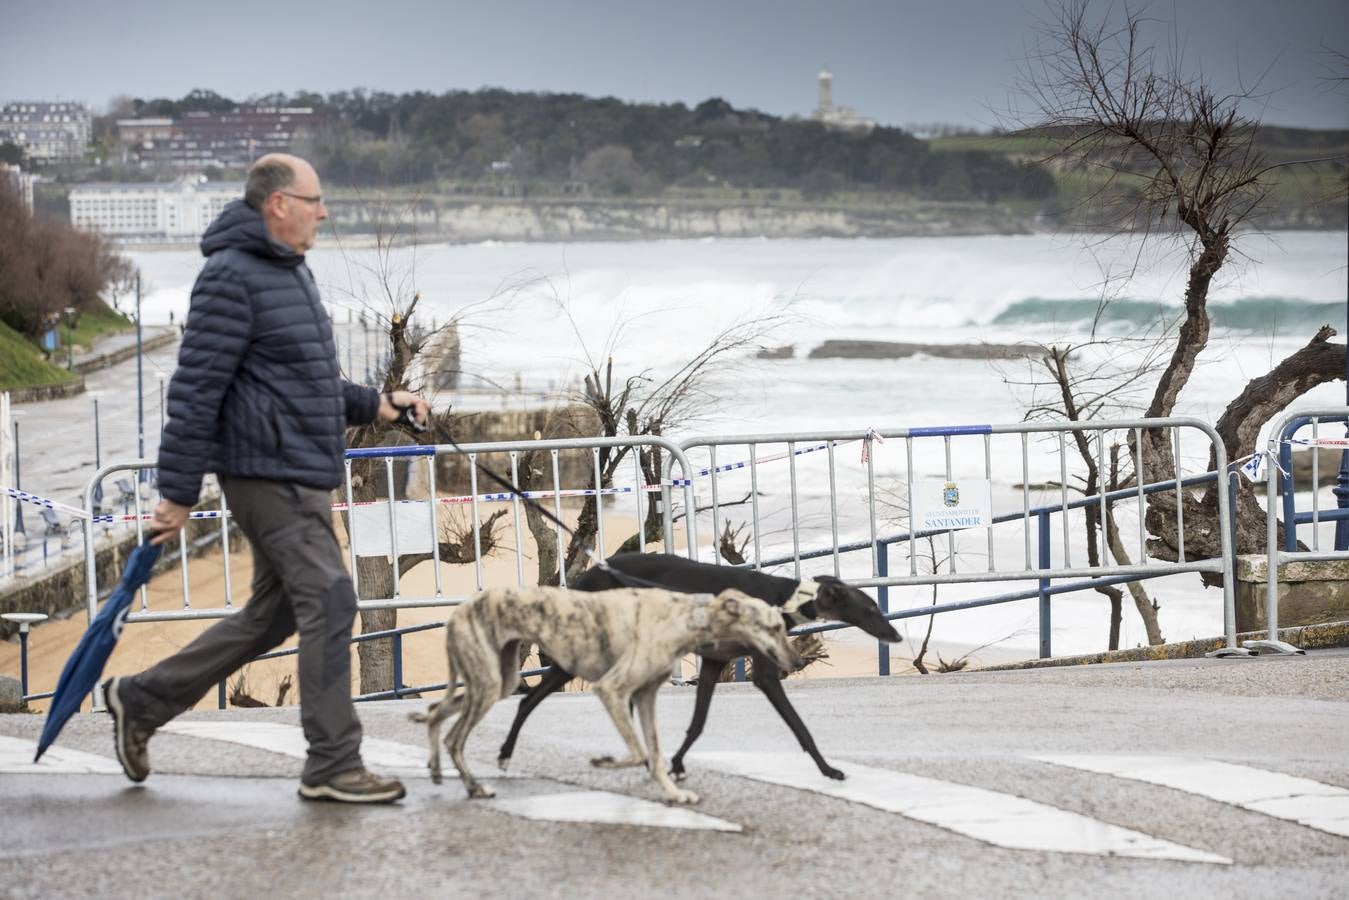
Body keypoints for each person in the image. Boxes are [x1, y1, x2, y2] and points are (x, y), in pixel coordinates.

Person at [103, 153, 428, 805]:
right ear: (278, 204)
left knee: (274, 614)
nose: (324, 212)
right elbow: (195, 391)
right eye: (315, 200)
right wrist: (175, 495)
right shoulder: (231, 277)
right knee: (333, 599)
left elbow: (306, 383)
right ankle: (333, 764)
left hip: (299, 471)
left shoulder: (288, 274)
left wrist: (380, 405)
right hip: (267, 473)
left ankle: (140, 700)